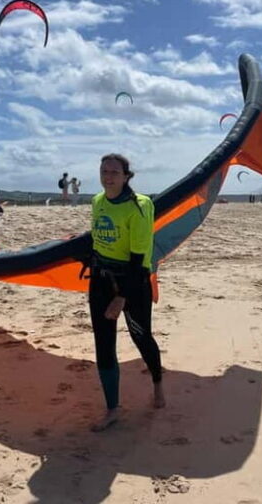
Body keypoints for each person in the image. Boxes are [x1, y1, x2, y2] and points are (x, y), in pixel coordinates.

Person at [88, 153, 165, 431]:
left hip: (132, 282)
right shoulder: (97, 202)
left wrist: (122, 298)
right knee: (103, 344)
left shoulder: (140, 206)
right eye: (104, 171)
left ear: (126, 176)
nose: (108, 176)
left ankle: (157, 383)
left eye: (114, 172)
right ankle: (112, 409)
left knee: (141, 336)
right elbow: (96, 242)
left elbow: (139, 259)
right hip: (100, 281)